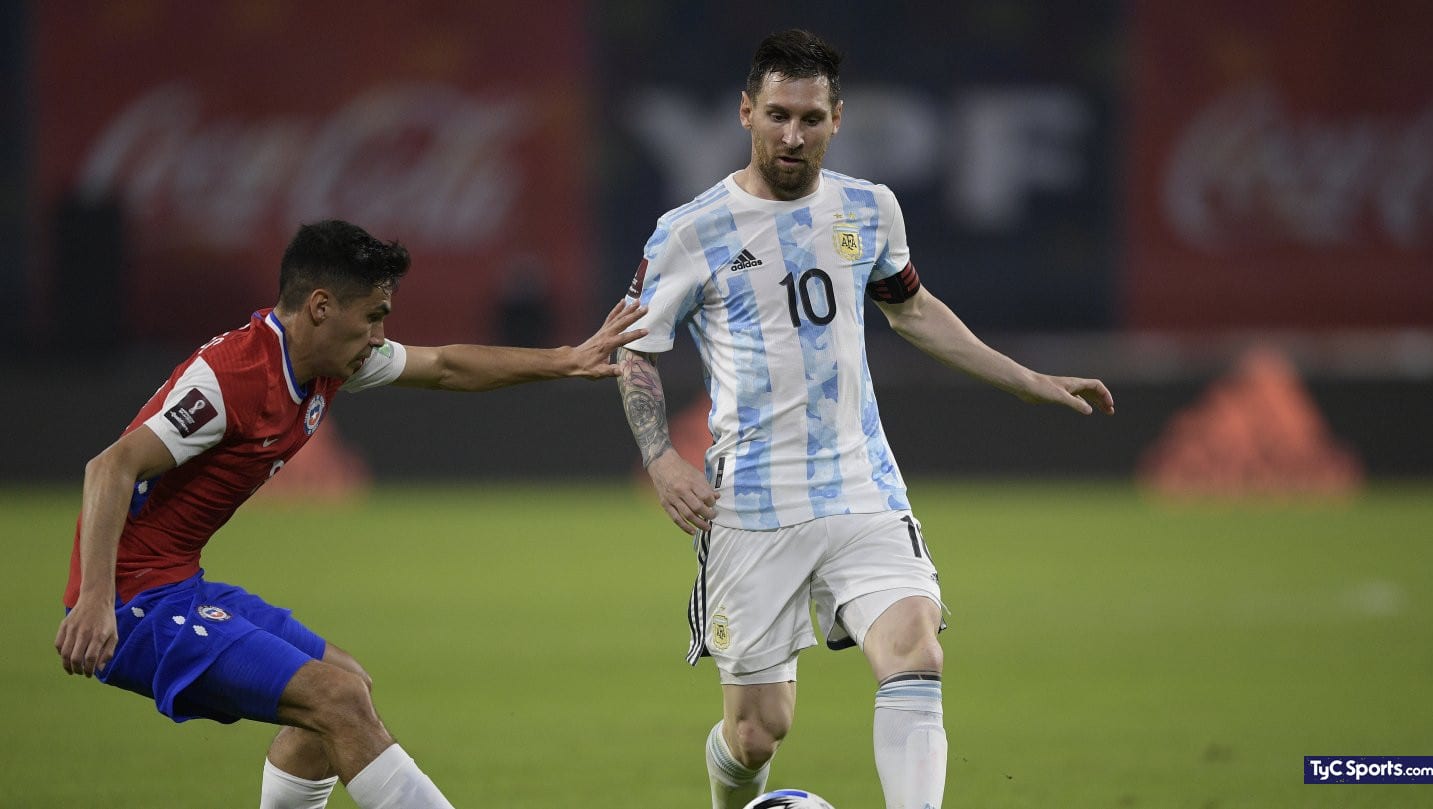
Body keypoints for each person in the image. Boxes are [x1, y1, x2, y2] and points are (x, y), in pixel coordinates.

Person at [615, 30, 1114, 809]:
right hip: (753, 502)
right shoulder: (692, 230)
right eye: (776, 114)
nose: (792, 135)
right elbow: (634, 349)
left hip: (862, 483)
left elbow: (911, 309)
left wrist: (1025, 379)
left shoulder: (868, 208)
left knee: (916, 649)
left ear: (837, 118)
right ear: (745, 112)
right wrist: (660, 458)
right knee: (756, 733)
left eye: (810, 118)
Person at [54, 219, 647, 809]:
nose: (378, 334)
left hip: (177, 584)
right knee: (336, 700)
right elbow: (110, 467)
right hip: (132, 606)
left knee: (344, 689)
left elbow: (443, 366)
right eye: (372, 316)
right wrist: (95, 602)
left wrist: (566, 359)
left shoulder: (330, 362)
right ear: (320, 307)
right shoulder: (229, 378)